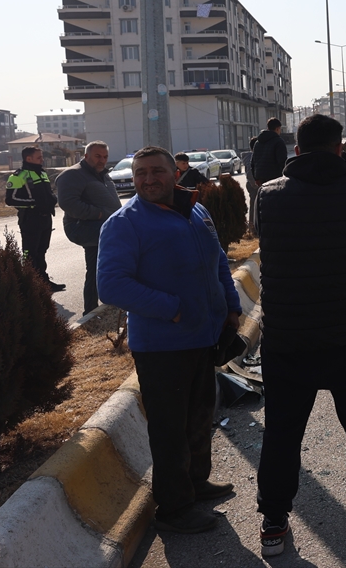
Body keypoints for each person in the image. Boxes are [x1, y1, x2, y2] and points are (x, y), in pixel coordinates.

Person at [253, 114, 346, 555]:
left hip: (287, 341)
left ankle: (274, 525)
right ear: (340, 149)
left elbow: (263, 239)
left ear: (296, 150)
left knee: (282, 431)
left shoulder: (268, 195)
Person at [97, 146, 241, 534]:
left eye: (156, 171)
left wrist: (231, 307)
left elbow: (217, 264)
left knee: (199, 415)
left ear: (175, 173)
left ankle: (196, 483)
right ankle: (174, 509)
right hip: (162, 344)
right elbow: (111, 285)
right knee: (169, 428)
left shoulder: (197, 210)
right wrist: (172, 308)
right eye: (141, 172)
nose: (148, 179)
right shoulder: (124, 223)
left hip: (205, 335)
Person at [56, 141, 121, 313]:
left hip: (103, 226)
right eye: (97, 156)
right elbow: (69, 203)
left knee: (97, 267)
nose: (102, 160)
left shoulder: (102, 174)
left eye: (105, 157)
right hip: (83, 227)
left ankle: (93, 310)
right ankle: (94, 309)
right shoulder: (73, 174)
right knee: (119, 250)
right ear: (86, 156)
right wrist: (99, 214)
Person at [5, 145, 63, 291]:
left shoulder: (42, 173)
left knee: (42, 250)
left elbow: (47, 194)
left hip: (45, 218)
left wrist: (52, 199)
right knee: (30, 252)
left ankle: (43, 281)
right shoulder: (19, 176)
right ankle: (29, 284)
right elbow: (10, 199)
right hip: (30, 219)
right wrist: (34, 204)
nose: (42, 159)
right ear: (28, 158)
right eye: (39, 157)